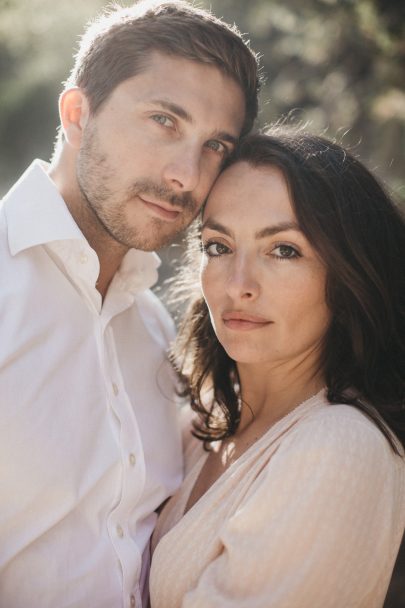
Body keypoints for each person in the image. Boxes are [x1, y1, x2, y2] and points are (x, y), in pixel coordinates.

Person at [0, 1, 261, 606]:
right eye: (164, 121)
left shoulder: (152, 328)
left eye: (215, 145)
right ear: (76, 114)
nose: (186, 176)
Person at [149, 129, 405, 608]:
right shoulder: (201, 426)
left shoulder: (340, 448)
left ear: (348, 277)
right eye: (218, 246)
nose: (238, 285)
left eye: (284, 250)